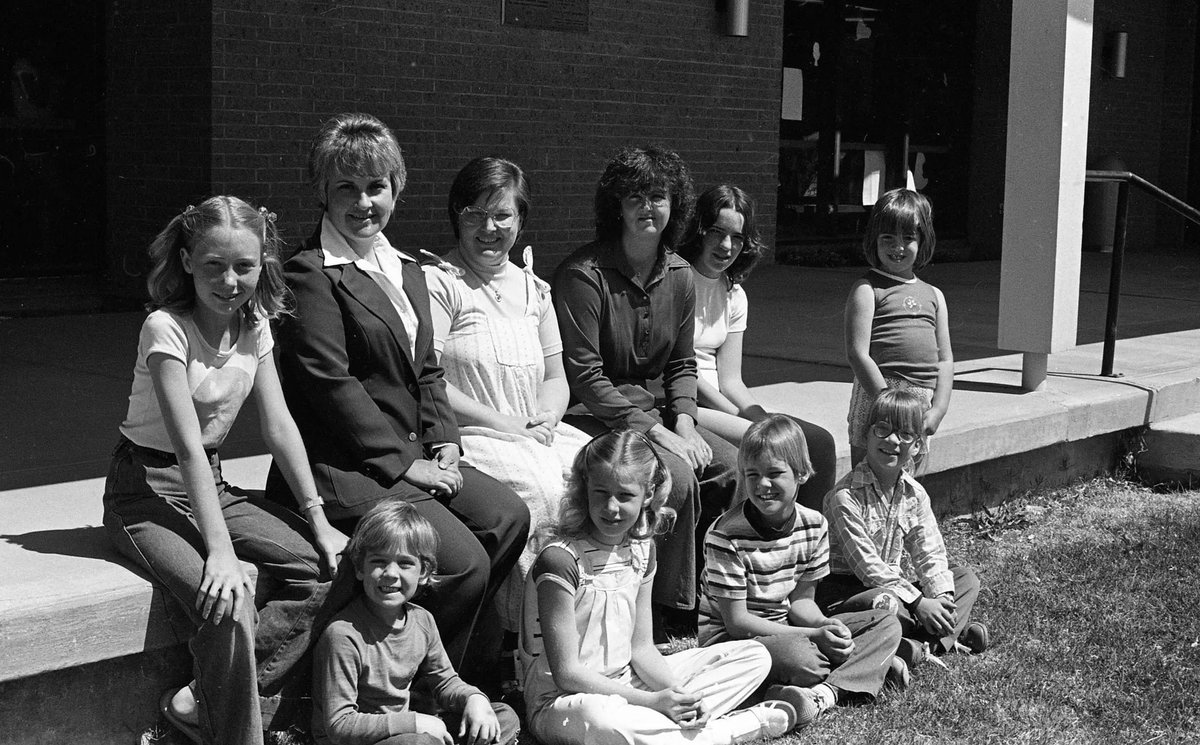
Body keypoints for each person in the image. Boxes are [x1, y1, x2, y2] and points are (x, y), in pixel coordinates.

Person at [267, 113, 529, 666]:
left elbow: (427, 369)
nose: (364, 202)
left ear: (396, 189)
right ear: (322, 191)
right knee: (461, 562)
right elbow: (328, 385)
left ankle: (458, 673)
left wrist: (445, 440)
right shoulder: (309, 274)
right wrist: (407, 465)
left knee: (508, 517)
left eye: (376, 187)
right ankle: (407, 678)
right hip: (342, 466)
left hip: (410, 452)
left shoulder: (406, 268)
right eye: (347, 187)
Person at [102, 196, 343, 744]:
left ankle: (204, 698)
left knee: (329, 570)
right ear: (187, 261)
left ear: (263, 265)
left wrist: (318, 518)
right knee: (227, 601)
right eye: (213, 264)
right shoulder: (166, 328)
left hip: (210, 482)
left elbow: (279, 427)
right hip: (143, 491)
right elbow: (186, 446)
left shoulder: (256, 326)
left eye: (244, 266)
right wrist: (222, 551)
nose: (230, 280)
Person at [553, 145, 738, 627]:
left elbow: (681, 365)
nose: (647, 207)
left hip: (658, 413)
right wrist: (661, 435)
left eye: (658, 195)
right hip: (597, 416)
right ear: (616, 204)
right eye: (635, 196)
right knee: (673, 476)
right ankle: (664, 612)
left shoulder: (679, 274)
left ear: (674, 204)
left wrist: (685, 422)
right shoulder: (582, 275)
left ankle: (712, 591)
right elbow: (587, 379)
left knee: (732, 468)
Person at [519, 430, 801, 745]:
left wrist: (679, 696)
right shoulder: (560, 559)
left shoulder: (641, 549)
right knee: (603, 721)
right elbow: (567, 673)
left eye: (625, 495)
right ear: (584, 489)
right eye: (600, 493)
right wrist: (653, 702)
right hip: (569, 700)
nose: (611, 507)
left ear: (647, 496)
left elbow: (641, 648)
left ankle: (676, 726)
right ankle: (734, 729)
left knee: (754, 656)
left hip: (630, 681)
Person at [422, 156, 590, 635]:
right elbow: (430, 378)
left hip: (535, 429)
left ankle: (591, 617)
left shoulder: (535, 289)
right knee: (542, 491)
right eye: (476, 214)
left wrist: (547, 417)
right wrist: (507, 424)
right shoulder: (441, 282)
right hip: (475, 434)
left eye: (503, 216)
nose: (489, 228)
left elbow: (556, 375)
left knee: (601, 472)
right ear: (457, 215)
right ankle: (525, 635)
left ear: (521, 220)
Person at [699, 415, 905, 730]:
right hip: (733, 642)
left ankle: (824, 692)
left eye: (774, 473)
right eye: (752, 474)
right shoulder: (726, 535)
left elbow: (801, 603)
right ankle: (869, 666)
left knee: (885, 622)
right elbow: (737, 623)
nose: (762, 485)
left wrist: (827, 625)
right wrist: (813, 636)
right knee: (801, 658)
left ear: (801, 474)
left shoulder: (813, 525)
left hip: (787, 628)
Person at [676, 185, 838, 513]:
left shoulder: (734, 295)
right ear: (699, 231)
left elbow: (732, 378)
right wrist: (743, 420)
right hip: (685, 402)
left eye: (737, 237)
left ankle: (810, 545)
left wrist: (757, 415)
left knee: (818, 443)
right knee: (762, 447)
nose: (726, 246)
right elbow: (683, 371)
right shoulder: (676, 282)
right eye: (717, 233)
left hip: (721, 403)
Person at [313, 499, 520, 745]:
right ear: (360, 568)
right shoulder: (343, 635)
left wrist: (474, 699)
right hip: (363, 740)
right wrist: (416, 722)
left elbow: (446, 682)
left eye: (405, 563)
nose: (390, 573)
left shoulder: (422, 620)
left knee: (501, 717)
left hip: (408, 734)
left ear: (423, 572)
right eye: (378, 562)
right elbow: (340, 724)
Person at [818, 388, 989, 659]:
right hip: (847, 595)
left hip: (896, 589)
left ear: (918, 445)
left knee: (965, 579)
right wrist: (920, 602)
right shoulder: (844, 497)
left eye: (906, 434)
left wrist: (941, 599)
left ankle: (921, 645)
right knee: (885, 603)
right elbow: (868, 568)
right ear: (866, 435)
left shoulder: (915, 494)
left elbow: (929, 552)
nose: (893, 440)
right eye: (882, 430)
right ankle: (940, 637)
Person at [844, 188, 953, 465]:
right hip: (877, 395)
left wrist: (938, 408)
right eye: (888, 238)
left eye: (908, 238)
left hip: (919, 399)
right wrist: (885, 401)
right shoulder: (868, 289)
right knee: (866, 472)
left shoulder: (934, 295)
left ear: (923, 240)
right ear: (874, 240)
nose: (898, 247)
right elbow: (858, 353)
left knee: (907, 475)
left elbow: (945, 358)